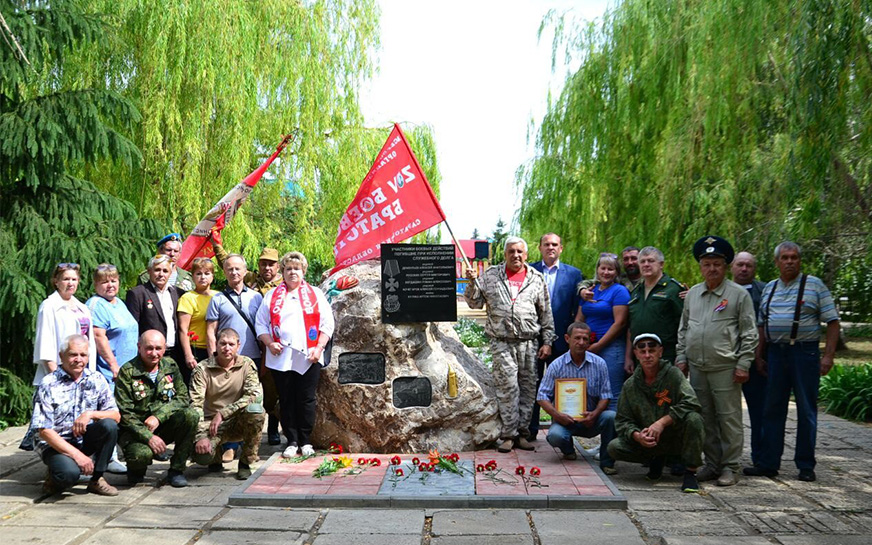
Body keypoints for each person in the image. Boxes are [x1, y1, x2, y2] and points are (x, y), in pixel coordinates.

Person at [744, 241, 840, 482]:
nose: (789, 261)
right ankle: (768, 463)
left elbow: (833, 322)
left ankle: (805, 465)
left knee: (806, 409)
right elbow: (762, 326)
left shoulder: (814, 285)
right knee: (772, 409)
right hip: (775, 354)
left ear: (799, 260)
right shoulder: (770, 288)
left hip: (804, 353)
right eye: (785, 258)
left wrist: (828, 355)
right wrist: (758, 356)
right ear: (777, 262)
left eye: (794, 257)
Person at [676, 236, 758, 487]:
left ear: (725, 266)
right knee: (705, 419)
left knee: (729, 419)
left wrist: (744, 364)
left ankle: (730, 467)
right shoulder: (693, 295)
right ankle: (711, 464)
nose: (712, 268)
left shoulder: (738, 295)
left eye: (717, 264)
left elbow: (749, 333)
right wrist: (681, 357)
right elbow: (684, 329)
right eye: (707, 263)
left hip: (726, 368)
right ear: (700, 266)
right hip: (698, 368)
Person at [465, 236, 555, 453]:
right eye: (511, 252)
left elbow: (546, 313)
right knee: (507, 389)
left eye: (519, 252)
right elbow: (474, 303)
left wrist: (548, 341)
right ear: (505, 254)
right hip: (502, 343)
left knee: (527, 388)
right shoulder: (491, 276)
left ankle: (523, 434)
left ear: (526, 255)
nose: (516, 255)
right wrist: (471, 282)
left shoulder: (536, 278)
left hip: (529, 344)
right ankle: (508, 435)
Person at [256, 251, 334, 459]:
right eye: (288, 268)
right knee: (287, 399)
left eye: (296, 269)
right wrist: (269, 343)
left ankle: (306, 440)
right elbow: (261, 323)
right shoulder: (272, 295)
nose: (292, 272)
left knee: (306, 399)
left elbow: (328, 324)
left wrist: (319, 348)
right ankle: (291, 440)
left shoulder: (315, 294)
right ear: (282, 271)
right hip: (280, 356)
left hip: (309, 356)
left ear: (303, 271)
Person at [608, 333, 704, 493]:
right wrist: (637, 435)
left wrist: (662, 422)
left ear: (660, 352)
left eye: (651, 351)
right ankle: (655, 459)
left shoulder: (673, 375)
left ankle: (690, 472)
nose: (647, 355)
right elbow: (623, 421)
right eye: (642, 351)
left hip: (675, 437)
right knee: (614, 447)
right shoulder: (630, 385)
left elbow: (692, 403)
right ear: (636, 354)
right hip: (649, 441)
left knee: (694, 419)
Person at [31, 335, 120, 496]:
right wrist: (79, 457)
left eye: (83, 355)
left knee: (109, 425)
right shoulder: (48, 384)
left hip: (83, 438)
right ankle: (55, 475)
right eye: (73, 354)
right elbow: (43, 430)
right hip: (56, 444)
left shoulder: (96, 379)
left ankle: (97, 479)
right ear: (61, 356)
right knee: (68, 476)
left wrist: (90, 414)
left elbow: (115, 415)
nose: (78, 359)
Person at [21, 262, 97, 451]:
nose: (70, 283)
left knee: (78, 424)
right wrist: (58, 379)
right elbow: (45, 345)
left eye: (74, 279)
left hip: (81, 372)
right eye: (65, 279)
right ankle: (56, 467)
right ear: (56, 281)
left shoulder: (81, 307)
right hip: (59, 374)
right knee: (56, 425)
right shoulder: (49, 306)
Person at [206, 255, 278, 444]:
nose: (234, 272)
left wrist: (265, 359)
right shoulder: (217, 299)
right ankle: (229, 442)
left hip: (253, 357)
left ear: (246, 272)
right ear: (224, 272)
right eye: (229, 269)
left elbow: (263, 327)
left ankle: (251, 443)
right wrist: (213, 358)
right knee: (228, 400)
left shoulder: (256, 297)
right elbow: (210, 331)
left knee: (253, 401)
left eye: (238, 269)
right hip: (227, 359)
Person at [115, 330, 199, 487]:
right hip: (136, 432)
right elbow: (125, 414)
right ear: (139, 347)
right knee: (140, 456)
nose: (154, 353)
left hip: (162, 425)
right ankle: (135, 470)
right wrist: (148, 437)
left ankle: (176, 470)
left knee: (190, 415)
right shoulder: (127, 372)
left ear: (165, 348)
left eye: (158, 348)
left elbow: (182, 398)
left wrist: (159, 416)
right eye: (149, 348)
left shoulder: (170, 366)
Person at [536, 322, 617, 474]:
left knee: (611, 417)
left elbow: (606, 395)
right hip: (565, 421)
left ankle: (607, 462)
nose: (581, 342)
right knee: (554, 436)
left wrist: (595, 414)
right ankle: (568, 450)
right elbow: (542, 396)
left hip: (592, 420)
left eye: (585, 339)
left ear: (589, 341)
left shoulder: (599, 364)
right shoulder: (556, 365)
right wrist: (556, 415)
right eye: (577, 338)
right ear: (567, 339)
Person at [190, 328, 265, 480]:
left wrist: (223, 413)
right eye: (223, 344)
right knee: (203, 457)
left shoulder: (246, 364)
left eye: (231, 344)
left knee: (257, 411)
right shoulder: (202, 368)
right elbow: (195, 405)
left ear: (238, 345)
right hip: (210, 425)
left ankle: (245, 463)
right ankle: (215, 457)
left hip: (237, 421)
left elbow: (254, 395)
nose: (227, 348)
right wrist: (200, 436)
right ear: (216, 345)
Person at [529, 233, 583, 439]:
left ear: (561, 248)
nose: (550, 248)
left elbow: (579, 306)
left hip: (561, 341)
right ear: (540, 247)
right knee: (533, 385)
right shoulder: (529, 271)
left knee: (561, 387)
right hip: (532, 339)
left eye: (554, 245)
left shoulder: (574, 275)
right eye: (546, 244)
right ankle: (531, 430)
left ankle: (560, 432)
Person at [86, 263, 138, 474]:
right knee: (109, 414)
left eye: (113, 280)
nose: (110, 285)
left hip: (127, 370)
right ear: (96, 284)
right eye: (104, 281)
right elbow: (99, 337)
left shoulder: (119, 303)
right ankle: (107, 458)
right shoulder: (97, 304)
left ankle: (116, 453)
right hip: (109, 372)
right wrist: (114, 366)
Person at [576, 253, 630, 410]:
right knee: (589, 392)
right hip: (588, 347)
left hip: (611, 348)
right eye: (603, 268)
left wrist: (599, 345)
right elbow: (580, 319)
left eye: (611, 269)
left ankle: (613, 433)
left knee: (612, 394)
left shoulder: (619, 291)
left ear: (617, 272)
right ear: (597, 270)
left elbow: (620, 323)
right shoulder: (590, 291)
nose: (606, 272)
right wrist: (579, 342)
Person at [731, 251, 768, 467]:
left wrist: (759, 355)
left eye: (749, 265)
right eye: (740, 265)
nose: (744, 269)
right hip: (725, 360)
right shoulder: (719, 290)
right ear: (732, 267)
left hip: (756, 361)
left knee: (759, 411)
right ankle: (722, 458)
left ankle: (761, 459)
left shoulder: (765, 291)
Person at [126, 254, 187, 382]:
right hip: (150, 356)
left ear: (170, 273)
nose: (161, 274)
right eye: (157, 270)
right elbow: (132, 330)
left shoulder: (179, 293)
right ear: (149, 271)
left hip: (175, 354)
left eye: (165, 271)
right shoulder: (137, 293)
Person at [625, 246, 685, 369]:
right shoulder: (636, 292)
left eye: (651, 261)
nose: (646, 265)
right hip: (641, 356)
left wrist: (682, 356)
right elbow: (631, 327)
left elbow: (684, 324)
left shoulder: (673, 289)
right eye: (642, 261)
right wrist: (629, 357)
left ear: (661, 264)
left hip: (667, 355)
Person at [177, 257, 217, 375]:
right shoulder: (187, 298)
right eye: (198, 274)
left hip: (217, 348)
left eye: (207, 273)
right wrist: (188, 355)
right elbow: (183, 329)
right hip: (196, 349)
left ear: (212, 276)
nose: (203, 277)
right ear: (193, 276)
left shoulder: (218, 296)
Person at [211, 235, 281, 295]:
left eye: (271, 265)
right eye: (263, 264)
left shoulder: (285, 284)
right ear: (258, 265)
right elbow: (227, 263)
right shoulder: (252, 279)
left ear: (278, 267)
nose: (267, 268)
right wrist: (216, 244)